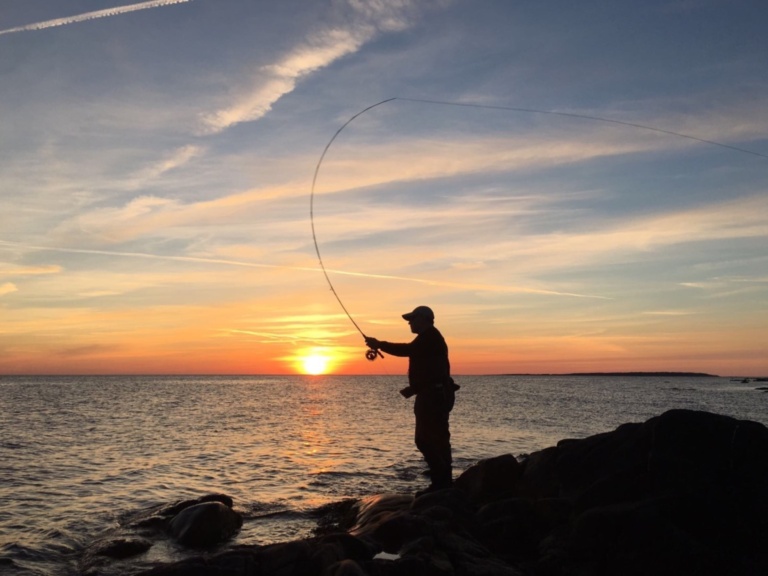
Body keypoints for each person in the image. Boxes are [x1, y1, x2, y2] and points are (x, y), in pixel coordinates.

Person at [364, 305, 459, 494]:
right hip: (434, 394)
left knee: (425, 439)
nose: (409, 323)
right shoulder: (428, 338)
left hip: (434, 397)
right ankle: (443, 482)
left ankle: (441, 483)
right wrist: (413, 389)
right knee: (437, 438)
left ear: (423, 319)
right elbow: (425, 366)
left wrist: (379, 344)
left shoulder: (430, 337)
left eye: (412, 319)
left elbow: (407, 350)